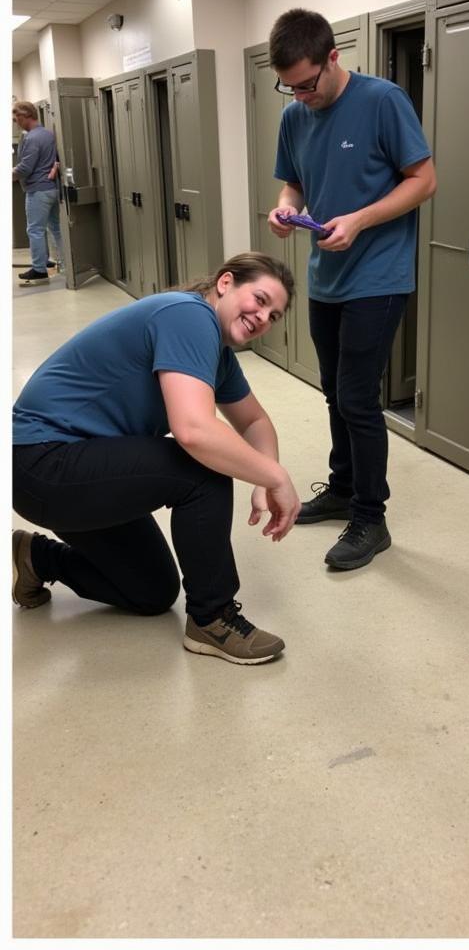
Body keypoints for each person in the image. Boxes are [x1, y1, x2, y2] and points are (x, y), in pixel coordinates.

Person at [12, 253, 300, 665]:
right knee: (202, 469)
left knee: (151, 591)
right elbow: (194, 431)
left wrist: (264, 475)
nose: (263, 316)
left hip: (75, 470)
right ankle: (212, 618)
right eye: (259, 298)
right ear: (225, 283)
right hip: (43, 461)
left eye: (274, 315)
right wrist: (276, 478)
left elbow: (255, 421)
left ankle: (37, 557)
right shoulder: (189, 316)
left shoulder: (217, 354)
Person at [267, 8, 436, 570]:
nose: (299, 95)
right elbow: (294, 182)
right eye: (288, 86)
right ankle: (341, 488)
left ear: (333, 57)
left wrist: (360, 220)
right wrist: (288, 210)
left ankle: (371, 516)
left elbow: (424, 180)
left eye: (307, 83)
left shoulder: (383, 100)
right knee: (333, 391)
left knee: (359, 398)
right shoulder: (295, 114)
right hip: (326, 277)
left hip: (379, 275)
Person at [12, 101, 62, 286]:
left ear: (25, 116)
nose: (16, 122)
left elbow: (25, 168)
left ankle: (39, 269)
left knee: (35, 230)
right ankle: (63, 264)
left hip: (38, 190)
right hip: (51, 188)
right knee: (55, 229)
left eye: (17, 118)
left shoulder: (32, 138)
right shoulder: (48, 134)